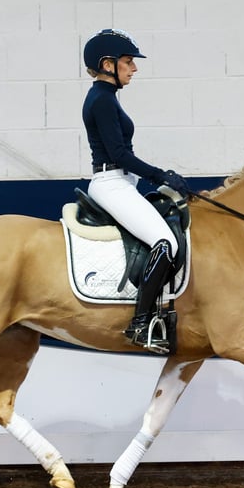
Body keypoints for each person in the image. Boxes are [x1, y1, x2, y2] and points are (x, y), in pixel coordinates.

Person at [82, 28, 189, 353]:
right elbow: (119, 154)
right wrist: (161, 175)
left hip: (121, 182)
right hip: (111, 183)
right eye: (128, 61)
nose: (134, 68)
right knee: (165, 242)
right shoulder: (101, 100)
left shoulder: (106, 98)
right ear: (108, 64)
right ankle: (141, 324)